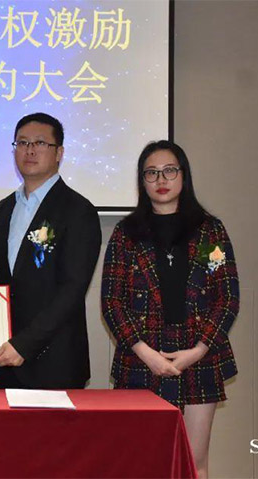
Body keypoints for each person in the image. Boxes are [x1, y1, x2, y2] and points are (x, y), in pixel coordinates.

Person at [101, 140, 239, 479]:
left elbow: (227, 298)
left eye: (169, 171)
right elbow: (111, 302)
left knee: (194, 462)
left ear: (183, 175)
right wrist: (146, 353)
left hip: (198, 355)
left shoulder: (209, 231)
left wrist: (198, 350)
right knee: (142, 463)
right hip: (141, 356)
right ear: (142, 181)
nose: (161, 179)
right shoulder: (126, 234)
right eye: (151, 173)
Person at [0, 113, 102, 389]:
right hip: (9, 356)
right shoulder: (6, 207)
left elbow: (72, 289)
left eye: (40, 143)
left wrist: (25, 344)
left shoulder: (78, 210)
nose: (29, 150)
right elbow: (7, 275)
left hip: (55, 359)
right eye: (22, 143)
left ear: (59, 153)